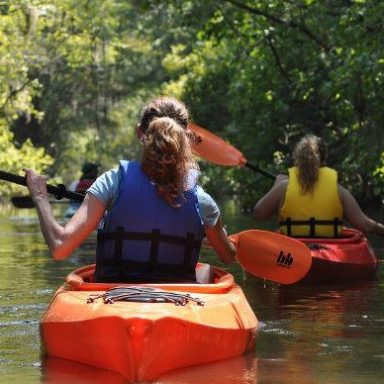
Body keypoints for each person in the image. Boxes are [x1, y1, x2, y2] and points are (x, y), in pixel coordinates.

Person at [25, 97, 236, 282]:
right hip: (176, 302)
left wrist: (40, 196)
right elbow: (228, 257)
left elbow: (60, 247)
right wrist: (220, 236)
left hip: (114, 297)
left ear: (139, 132)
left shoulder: (111, 182)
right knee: (206, 271)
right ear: (186, 139)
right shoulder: (202, 200)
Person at [253, 134, 384, 238]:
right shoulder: (339, 191)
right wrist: (381, 228)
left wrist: (276, 185)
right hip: (330, 254)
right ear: (323, 161)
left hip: (292, 254)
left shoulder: (283, 187)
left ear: (297, 160)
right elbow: (366, 225)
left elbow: (259, 214)